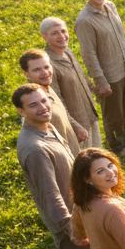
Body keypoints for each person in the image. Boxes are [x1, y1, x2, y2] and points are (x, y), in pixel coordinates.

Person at [12, 84, 97, 249]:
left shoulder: (46, 126)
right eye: (33, 105)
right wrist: (68, 226)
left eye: (44, 100)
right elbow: (49, 193)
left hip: (77, 206)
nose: (43, 107)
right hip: (66, 216)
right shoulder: (35, 148)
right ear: (21, 112)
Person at [74, 0, 125, 158]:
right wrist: (101, 81)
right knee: (114, 115)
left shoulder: (111, 6)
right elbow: (89, 55)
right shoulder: (84, 21)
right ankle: (117, 145)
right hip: (109, 75)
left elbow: (121, 35)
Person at [41, 16, 101, 150]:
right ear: (44, 37)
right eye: (54, 33)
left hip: (89, 115)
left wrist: (94, 87)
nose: (61, 36)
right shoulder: (49, 65)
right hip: (75, 125)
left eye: (63, 31)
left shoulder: (67, 51)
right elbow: (56, 101)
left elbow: (80, 74)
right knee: (83, 162)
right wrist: (75, 126)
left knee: (97, 154)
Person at [19, 48, 84, 154]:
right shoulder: (33, 105)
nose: (45, 73)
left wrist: (76, 127)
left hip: (74, 154)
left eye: (46, 67)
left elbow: (62, 112)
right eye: (37, 70)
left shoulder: (48, 87)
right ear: (26, 74)